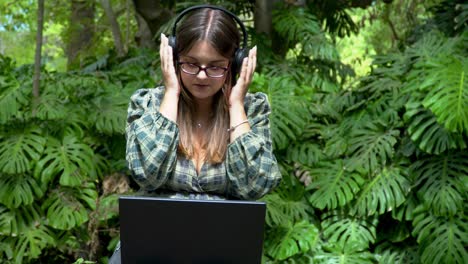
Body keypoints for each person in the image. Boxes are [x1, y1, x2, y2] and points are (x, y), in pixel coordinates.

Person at [109, 5, 281, 263]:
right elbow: (147, 174)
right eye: (191, 63)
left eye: (215, 67)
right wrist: (171, 93)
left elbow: (254, 186)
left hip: (223, 248)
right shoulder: (148, 104)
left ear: (233, 64)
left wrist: (236, 105)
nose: (202, 75)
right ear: (174, 58)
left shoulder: (251, 110)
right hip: (153, 246)